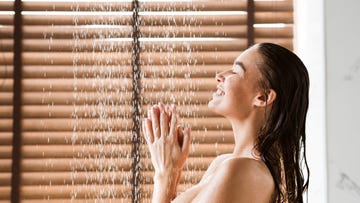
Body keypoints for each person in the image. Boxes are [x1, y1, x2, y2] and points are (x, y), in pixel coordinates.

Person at [142, 43, 310, 203]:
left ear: (263, 98)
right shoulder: (224, 164)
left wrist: (164, 173)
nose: (219, 76)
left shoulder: (243, 170)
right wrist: (172, 171)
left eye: (236, 71)